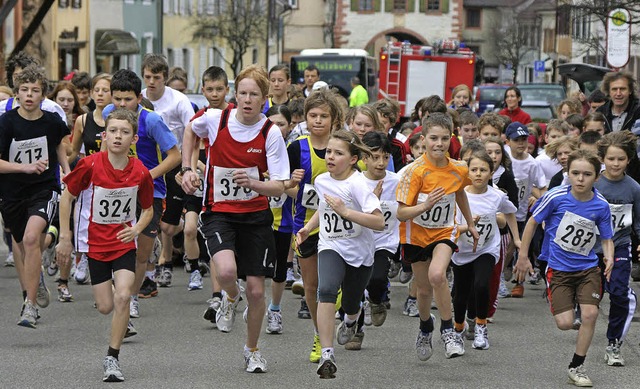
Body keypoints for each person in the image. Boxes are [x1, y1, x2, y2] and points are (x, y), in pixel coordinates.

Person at [181, 64, 290, 373]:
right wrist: (189, 168)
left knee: (257, 290)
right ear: (234, 94)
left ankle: (252, 350)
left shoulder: (270, 133)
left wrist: (254, 184)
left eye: (253, 94)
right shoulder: (218, 119)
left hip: (255, 216)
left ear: (264, 98)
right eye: (242, 93)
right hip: (219, 212)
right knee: (227, 271)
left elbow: (280, 184)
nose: (246, 99)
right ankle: (230, 297)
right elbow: (190, 129)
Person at [56, 109, 154, 382]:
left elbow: (147, 209)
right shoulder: (89, 165)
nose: (118, 137)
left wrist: (135, 229)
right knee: (105, 306)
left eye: (124, 132)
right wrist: (65, 237)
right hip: (94, 244)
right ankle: (110, 296)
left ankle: (112, 357)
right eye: (113, 131)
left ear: (133, 139)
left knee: (124, 296)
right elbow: (67, 198)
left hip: (124, 244)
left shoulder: (140, 171)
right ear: (104, 135)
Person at [514, 149, 614, 388]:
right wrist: (523, 255)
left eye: (587, 174)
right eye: (575, 173)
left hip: (588, 267)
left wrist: (609, 257)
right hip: (558, 269)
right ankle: (572, 314)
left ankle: (577, 366)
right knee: (565, 323)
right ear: (567, 173)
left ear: (596, 177)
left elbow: (607, 237)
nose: (580, 179)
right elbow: (532, 222)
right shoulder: (555, 197)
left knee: (590, 314)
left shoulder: (601, 205)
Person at [296, 130, 384, 379]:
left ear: (353, 159)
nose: (330, 156)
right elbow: (325, 208)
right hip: (331, 245)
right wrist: (308, 228)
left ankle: (350, 321)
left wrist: (346, 211)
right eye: (329, 152)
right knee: (326, 291)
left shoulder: (358, 185)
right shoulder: (323, 180)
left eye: (338, 153)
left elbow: (378, 223)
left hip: (360, 253)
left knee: (350, 304)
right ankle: (327, 353)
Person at [396, 112, 479, 361]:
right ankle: (425, 327)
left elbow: (460, 193)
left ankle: (449, 330)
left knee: (437, 275)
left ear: (451, 139)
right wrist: (424, 206)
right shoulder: (413, 172)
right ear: (424, 139)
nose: (439, 144)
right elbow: (401, 213)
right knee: (423, 290)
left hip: (445, 230)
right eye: (433, 138)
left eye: (444, 138)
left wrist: (470, 223)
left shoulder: (459, 169)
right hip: (416, 235)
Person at [102, 69, 180, 322]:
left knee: (141, 253)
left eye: (128, 99)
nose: (122, 105)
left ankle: (133, 295)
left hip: (150, 191)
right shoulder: (107, 116)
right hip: (117, 192)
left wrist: (147, 176)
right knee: (117, 245)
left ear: (139, 97)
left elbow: (175, 156)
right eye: (117, 99)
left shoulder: (152, 120)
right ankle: (125, 296)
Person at [0, 65, 71, 328]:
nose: (30, 95)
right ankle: (35, 279)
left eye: (35, 90)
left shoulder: (52, 122)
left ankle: (29, 307)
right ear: (17, 94)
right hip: (12, 193)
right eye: (24, 90)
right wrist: (23, 167)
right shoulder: (6, 123)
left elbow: (58, 146)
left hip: (44, 189)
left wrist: (67, 171)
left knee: (31, 239)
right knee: (21, 245)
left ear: (43, 95)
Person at [285, 87, 342, 362]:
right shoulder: (296, 148)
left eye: (324, 116)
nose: (318, 120)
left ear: (334, 119)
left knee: (330, 284)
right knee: (311, 287)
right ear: (305, 118)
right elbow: (282, 185)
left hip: (338, 226)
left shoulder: (343, 146)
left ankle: (339, 303)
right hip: (305, 223)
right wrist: (291, 183)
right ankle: (320, 334)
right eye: (313, 115)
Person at [452, 150, 519, 350]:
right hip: (462, 249)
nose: (478, 174)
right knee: (461, 292)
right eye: (474, 169)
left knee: (481, 285)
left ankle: (481, 326)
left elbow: (510, 213)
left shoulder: (497, 195)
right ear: (467, 173)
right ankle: (458, 328)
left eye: (483, 170)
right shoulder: (458, 194)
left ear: (491, 174)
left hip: (487, 248)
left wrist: (517, 239)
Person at [141, 53, 195, 292]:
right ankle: (162, 263)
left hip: (175, 164)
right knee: (157, 221)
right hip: (149, 164)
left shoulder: (178, 101)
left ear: (165, 78)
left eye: (156, 77)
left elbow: (193, 134)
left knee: (169, 226)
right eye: (147, 77)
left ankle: (181, 227)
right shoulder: (139, 99)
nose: (151, 82)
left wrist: (188, 167)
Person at [593, 131, 640, 367]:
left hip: (621, 247)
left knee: (620, 294)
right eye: (611, 158)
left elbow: (639, 221)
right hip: (591, 249)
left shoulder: (634, 188)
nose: (615, 163)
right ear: (603, 158)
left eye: (621, 159)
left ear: (628, 159)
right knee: (592, 296)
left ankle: (614, 344)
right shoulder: (593, 183)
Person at [505, 122, 547, 297]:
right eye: (517, 140)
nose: (521, 143)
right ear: (507, 141)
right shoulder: (504, 158)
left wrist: (541, 203)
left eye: (524, 139)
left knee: (518, 247)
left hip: (521, 212)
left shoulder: (532, 163)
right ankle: (502, 270)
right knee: (505, 245)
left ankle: (517, 281)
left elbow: (542, 186)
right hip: (502, 211)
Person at [0, 52, 66, 122]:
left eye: (25, 76)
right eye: (16, 76)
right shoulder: (2, 107)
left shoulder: (51, 108)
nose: (21, 81)